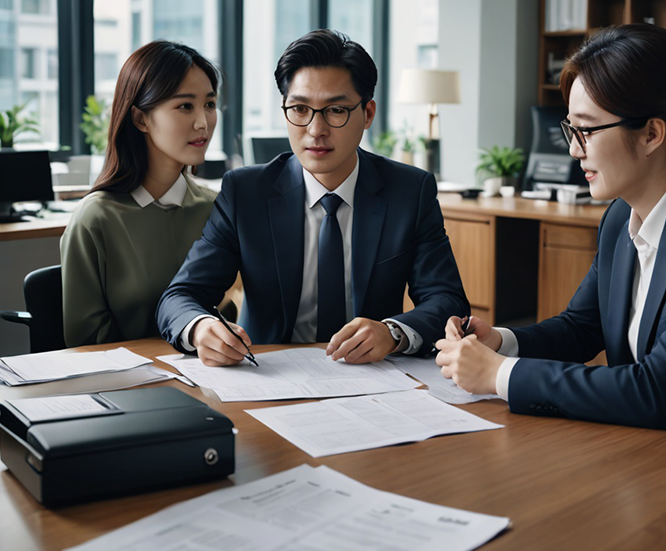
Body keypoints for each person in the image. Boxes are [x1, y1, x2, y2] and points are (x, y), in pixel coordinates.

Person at [436, 24, 666, 446]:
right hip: (650, 448)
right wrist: (504, 342)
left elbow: (656, 390)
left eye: (588, 130)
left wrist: (497, 375)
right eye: (571, 129)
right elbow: (583, 327)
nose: (575, 149)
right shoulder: (620, 216)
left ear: (652, 133)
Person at [157, 28, 468, 366]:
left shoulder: (409, 191)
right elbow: (181, 296)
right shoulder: (246, 192)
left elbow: (447, 299)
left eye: (336, 110)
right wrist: (201, 327)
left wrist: (393, 332)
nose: (315, 129)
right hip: (269, 375)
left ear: (368, 114)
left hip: (375, 375)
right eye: (300, 109)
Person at [60, 40, 221, 345]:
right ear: (140, 118)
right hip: (128, 386)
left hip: (215, 379)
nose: (203, 122)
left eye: (209, 104)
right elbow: (85, 344)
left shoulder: (216, 208)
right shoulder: (96, 219)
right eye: (185, 106)